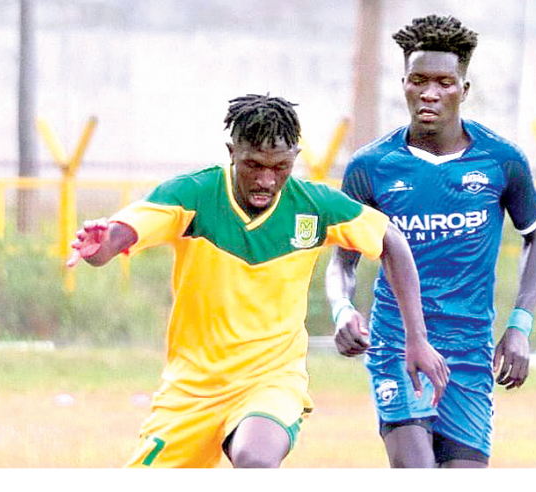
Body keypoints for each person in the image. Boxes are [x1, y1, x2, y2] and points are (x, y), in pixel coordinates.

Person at [66, 94, 448, 468]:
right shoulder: (194, 195)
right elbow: (120, 236)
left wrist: (417, 338)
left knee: (255, 458)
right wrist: (100, 248)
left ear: (295, 159)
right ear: (232, 152)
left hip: (270, 381)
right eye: (254, 165)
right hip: (192, 390)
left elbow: (391, 241)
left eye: (279, 167)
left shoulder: (315, 207)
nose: (266, 180)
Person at [326, 15, 536, 468]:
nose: (430, 93)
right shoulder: (372, 166)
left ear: (464, 89)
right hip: (397, 344)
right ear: (404, 84)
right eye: (419, 80)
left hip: (470, 353)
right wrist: (342, 307)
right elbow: (342, 262)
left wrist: (520, 326)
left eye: (444, 82)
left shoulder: (501, 160)